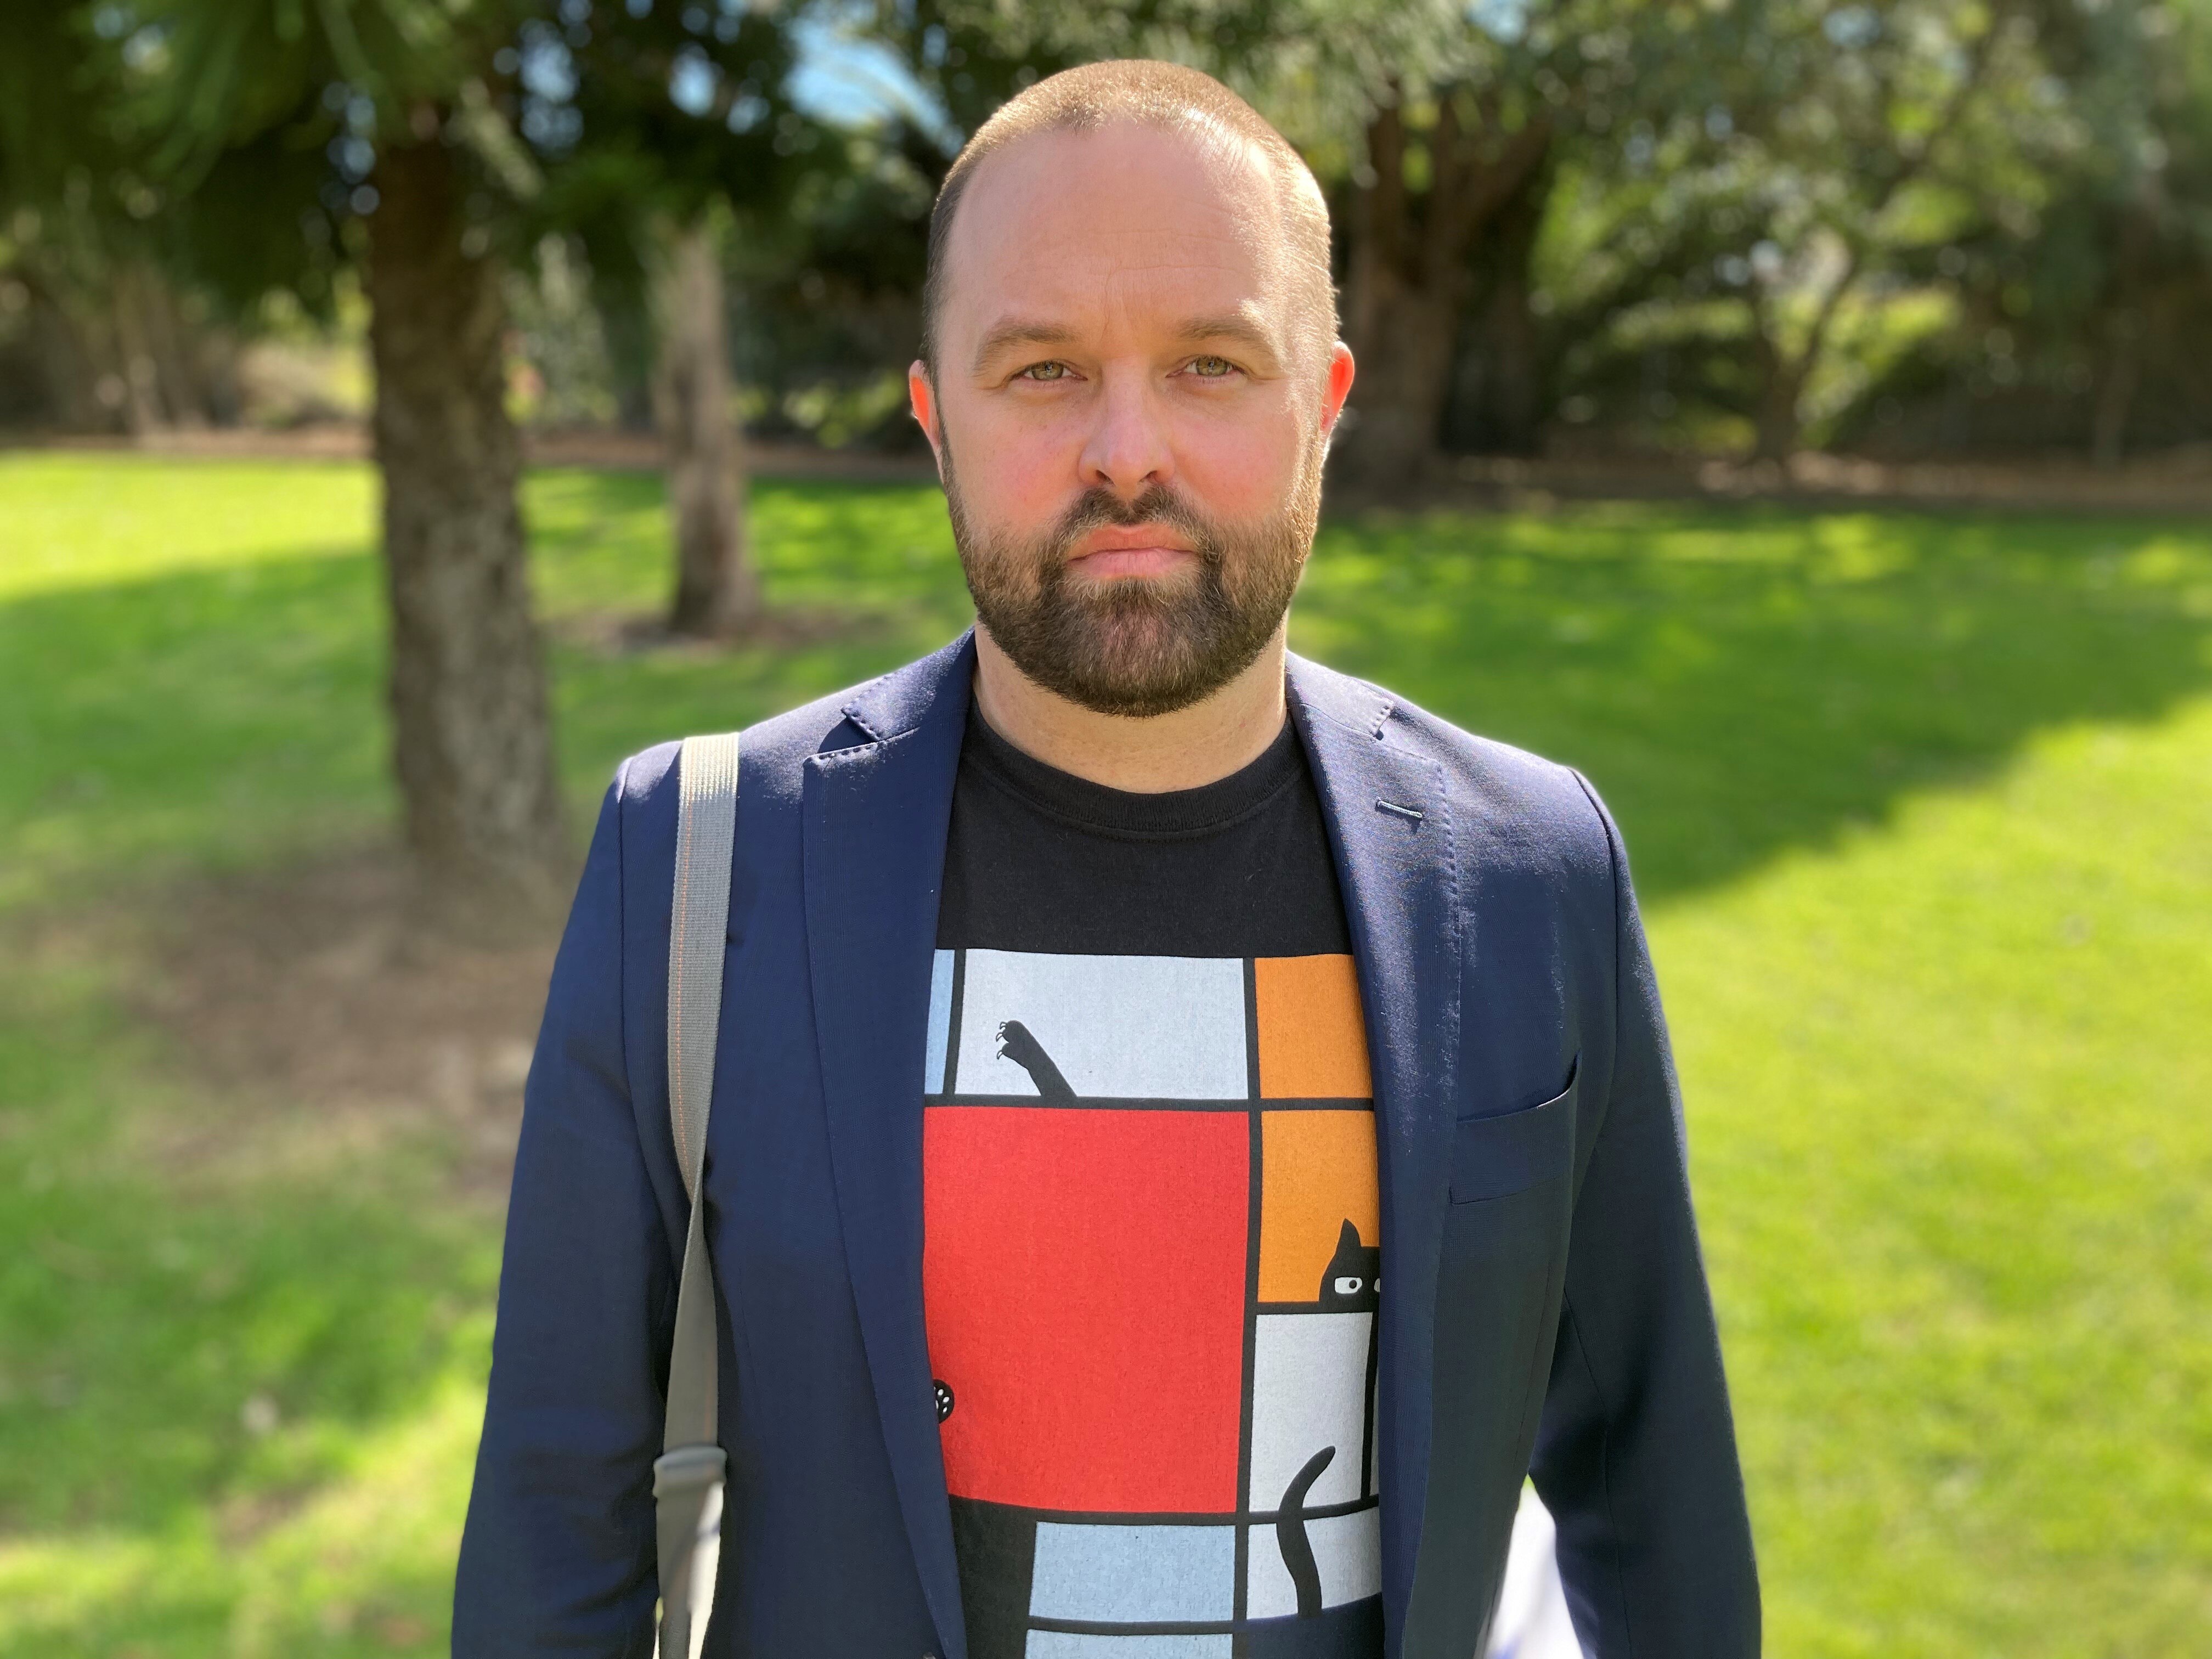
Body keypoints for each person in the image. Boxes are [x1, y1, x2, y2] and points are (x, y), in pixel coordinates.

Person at [453, 59, 1758, 1659]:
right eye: (1044, 370)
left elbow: (1656, 1501)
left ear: (1322, 410)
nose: (1126, 453)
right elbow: (553, 1526)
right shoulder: (702, 863)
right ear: (934, 416)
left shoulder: (1532, 870)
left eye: (1212, 364)